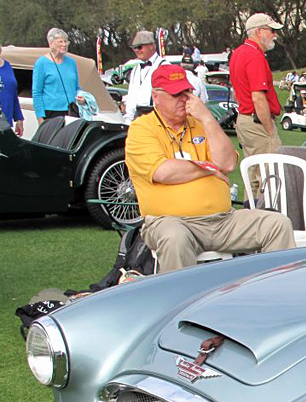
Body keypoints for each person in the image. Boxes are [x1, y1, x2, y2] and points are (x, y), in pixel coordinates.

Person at [125, 65, 293, 271]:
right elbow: (164, 172)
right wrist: (210, 168)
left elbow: (228, 162)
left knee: (277, 224)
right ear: (156, 96)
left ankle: (274, 296)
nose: (184, 99)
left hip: (222, 219)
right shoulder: (141, 129)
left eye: (187, 92)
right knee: (174, 238)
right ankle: (183, 302)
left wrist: (207, 118)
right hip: (171, 221)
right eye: (176, 94)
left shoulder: (200, 123)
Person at [229, 12, 284, 193]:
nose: (274, 35)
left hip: (245, 119)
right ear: (259, 31)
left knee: (252, 177)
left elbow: (237, 92)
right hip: (257, 121)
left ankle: (250, 215)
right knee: (270, 177)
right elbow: (258, 97)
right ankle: (266, 218)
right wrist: (269, 128)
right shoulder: (254, 55)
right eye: (271, 31)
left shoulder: (238, 53)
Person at [122, 30, 206, 124]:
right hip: (137, 118)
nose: (137, 50)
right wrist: (128, 120)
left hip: (157, 118)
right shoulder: (135, 70)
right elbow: (132, 97)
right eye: (134, 48)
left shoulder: (165, 66)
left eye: (139, 47)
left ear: (152, 46)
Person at [32, 28, 78, 120]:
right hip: (50, 112)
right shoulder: (41, 63)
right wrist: (40, 118)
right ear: (51, 43)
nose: (64, 44)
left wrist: (82, 98)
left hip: (72, 111)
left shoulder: (72, 63)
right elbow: (37, 92)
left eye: (66, 41)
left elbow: (76, 87)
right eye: (60, 42)